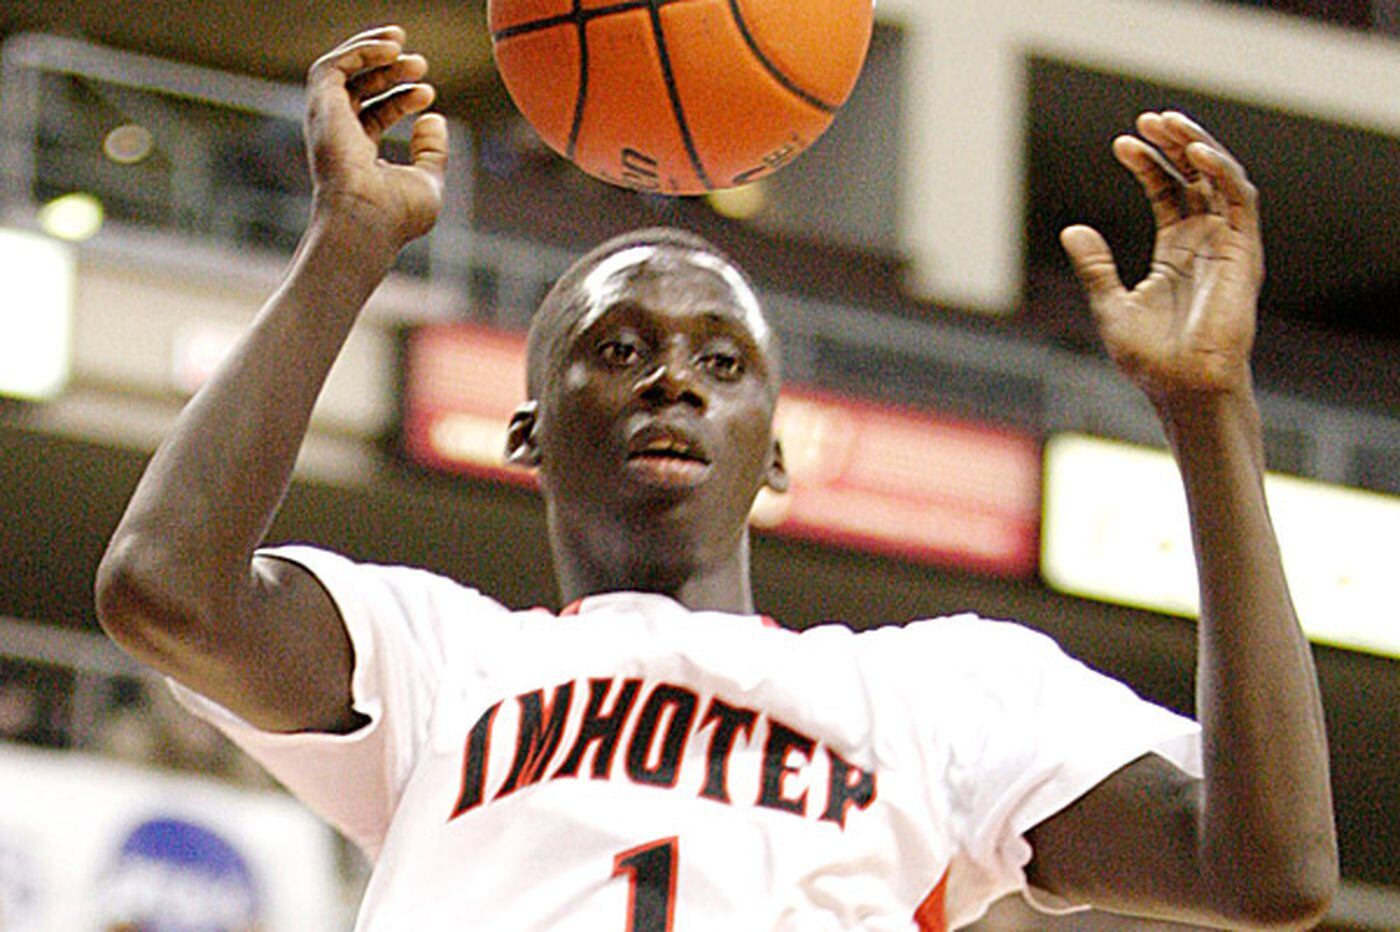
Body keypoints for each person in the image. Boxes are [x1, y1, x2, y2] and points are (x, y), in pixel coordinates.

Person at [94, 25, 1337, 931]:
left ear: (777, 451)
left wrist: (1206, 411)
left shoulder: (938, 696)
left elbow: (1268, 868)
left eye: (722, 361)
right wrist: (347, 242)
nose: (672, 381)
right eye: (617, 350)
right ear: (526, 433)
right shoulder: (439, 661)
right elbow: (164, 591)